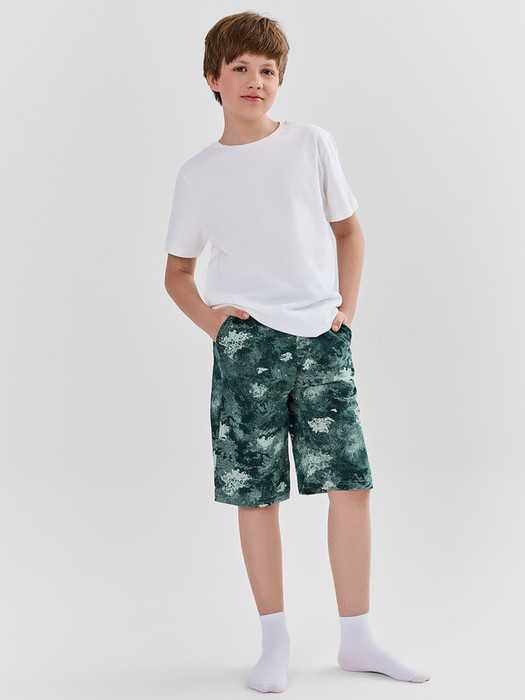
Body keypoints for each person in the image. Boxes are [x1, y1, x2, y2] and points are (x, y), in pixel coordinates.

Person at [164, 10, 430, 694]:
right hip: (246, 348)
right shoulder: (198, 175)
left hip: (321, 341)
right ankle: (274, 641)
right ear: (213, 78)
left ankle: (357, 637)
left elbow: (350, 233)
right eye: (241, 68)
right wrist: (216, 325)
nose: (256, 81)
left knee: (350, 484)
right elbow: (177, 272)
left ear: (280, 80)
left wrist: (346, 313)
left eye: (268, 70)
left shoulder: (311, 144)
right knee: (257, 494)